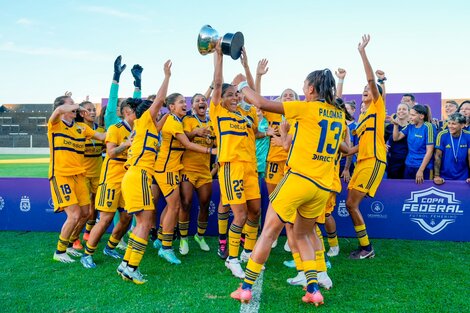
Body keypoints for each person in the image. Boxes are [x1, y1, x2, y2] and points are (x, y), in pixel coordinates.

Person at [230, 63, 345, 306]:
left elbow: (260, 103)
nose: (303, 89)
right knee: (303, 234)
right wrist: (285, 136)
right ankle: (313, 289)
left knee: (269, 231)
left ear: (311, 89)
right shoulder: (338, 115)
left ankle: (246, 287)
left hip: (299, 179)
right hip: (322, 186)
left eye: (304, 85)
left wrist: (242, 85)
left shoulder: (306, 108)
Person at [117, 60, 171, 284]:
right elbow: (159, 101)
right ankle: (131, 268)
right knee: (144, 224)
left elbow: (160, 122)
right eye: (154, 110)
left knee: (143, 223)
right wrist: (167, 76)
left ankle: (125, 264)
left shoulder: (146, 127)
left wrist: (169, 116)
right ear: (147, 113)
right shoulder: (145, 121)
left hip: (137, 177)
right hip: (138, 176)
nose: (157, 111)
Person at [154, 92, 217, 265]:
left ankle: (161, 240)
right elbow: (187, 144)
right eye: (182, 102)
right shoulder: (174, 121)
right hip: (166, 169)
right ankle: (166, 247)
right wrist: (210, 151)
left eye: (185, 102)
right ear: (172, 106)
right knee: (175, 206)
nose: (185, 104)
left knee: (172, 206)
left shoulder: (176, 120)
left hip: (173, 169)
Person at [80, 98, 138, 269]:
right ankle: (87, 254)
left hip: (128, 179)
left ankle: (110, 247)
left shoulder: (139, 129)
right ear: (128, 113)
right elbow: (111, 152)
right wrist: (126, 144)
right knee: (106, 218)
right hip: (111, 178)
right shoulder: (115, 128)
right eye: (137, 112)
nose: (140, 115)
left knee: (127, 215)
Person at [48, 95, 106, 263]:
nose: (75, 107)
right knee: (73, 215)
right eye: (71, 105)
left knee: (86, 213)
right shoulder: (55, 124)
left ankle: (69, 245)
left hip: (79, 175)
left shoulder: (81, 127)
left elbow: (102, 137)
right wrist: (78, 106)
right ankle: (59, 252)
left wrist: (127, 137)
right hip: (61, 175)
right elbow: (58, 110)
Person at [345, 35, 386, 259]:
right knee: (350, 204)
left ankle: (366, 247)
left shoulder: (378, 108)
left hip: (374, 162)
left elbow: (372, 81)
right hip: (362, 162)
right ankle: (365, 245)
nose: (366, 92)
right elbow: (355, 148)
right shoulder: (362, 121)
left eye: (368, 90)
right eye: (363, 92)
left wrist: (362, 53)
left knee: (352, 203)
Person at [178, 93, 215, 255]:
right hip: (187, 168)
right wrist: (195, 133)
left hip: (204, 170)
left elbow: (219, 142)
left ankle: (199, 236)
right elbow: (182, 138)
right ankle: (183, 238)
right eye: (197, 101)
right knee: (186, 203)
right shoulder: (187, 120)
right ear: (192, 106)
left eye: (203, 100)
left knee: (205, 204)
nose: (201, 102)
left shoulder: (213, 122)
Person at [73, 101, 105, 249]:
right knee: (82, 211)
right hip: (83, 175)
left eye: (94, 109)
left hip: (98, 174)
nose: (93, 112)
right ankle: (74, 238)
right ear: (81, 113)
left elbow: (106, 144)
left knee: (97, 205)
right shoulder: (77, 130)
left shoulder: (100, 129)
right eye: (89, 110)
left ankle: (88, 232)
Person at [392, 104, 435, 183]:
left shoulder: (429, 127)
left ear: (421, 116)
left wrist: (421, 170)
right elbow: (396, 138)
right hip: (409, 165)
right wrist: (396, 125)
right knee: (408, 192)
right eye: (410, 115)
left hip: (424, 167)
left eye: (412, 115)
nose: (410, 117)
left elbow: (430, 151)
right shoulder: (410, 126)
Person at [433, 113, 470, 184]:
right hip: (444, 177)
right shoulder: (442, 135)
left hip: (463, 177)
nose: (450, 126)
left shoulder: (468, 135)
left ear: (462, 125)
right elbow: (438, 156)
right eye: (449, 123)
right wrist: (436, 176)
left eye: (454, 124)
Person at [385, 103, 410, 179]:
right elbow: (381, 140)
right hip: (393, 162)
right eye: (399, 109)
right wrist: (383, 145)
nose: (401, 111)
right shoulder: (389, 127)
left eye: (404, 109)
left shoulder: (411, 127)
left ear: (409, 112)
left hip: (408, 162)